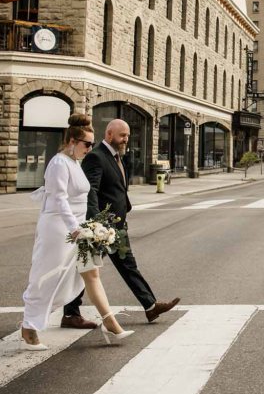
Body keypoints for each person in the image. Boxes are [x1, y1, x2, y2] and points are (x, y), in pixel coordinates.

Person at [21, 114, 133, 350]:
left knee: (91, 273)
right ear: (72, 141)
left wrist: (91, 225)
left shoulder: (74, 163)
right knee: (46, 276)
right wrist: (74, 228)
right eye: (86, 144)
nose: (90, 148)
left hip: (80, 228)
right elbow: (59, 199)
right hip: (59, 230)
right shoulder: (59, 163)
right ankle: (29, 326)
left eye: (92, 144)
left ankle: (110, 322)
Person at [61, 118, 179, 329]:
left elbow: (117, 188)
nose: (126, 139)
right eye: (122, 135)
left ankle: (150, 306)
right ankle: (70, 313)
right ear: (109, 134)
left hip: (116, 225)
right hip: (103, 227)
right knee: (86, 268)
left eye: (127, 135)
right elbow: (91, 191)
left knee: (127, 265)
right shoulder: (96, 157)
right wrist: (96, 224)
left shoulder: (115, 156)